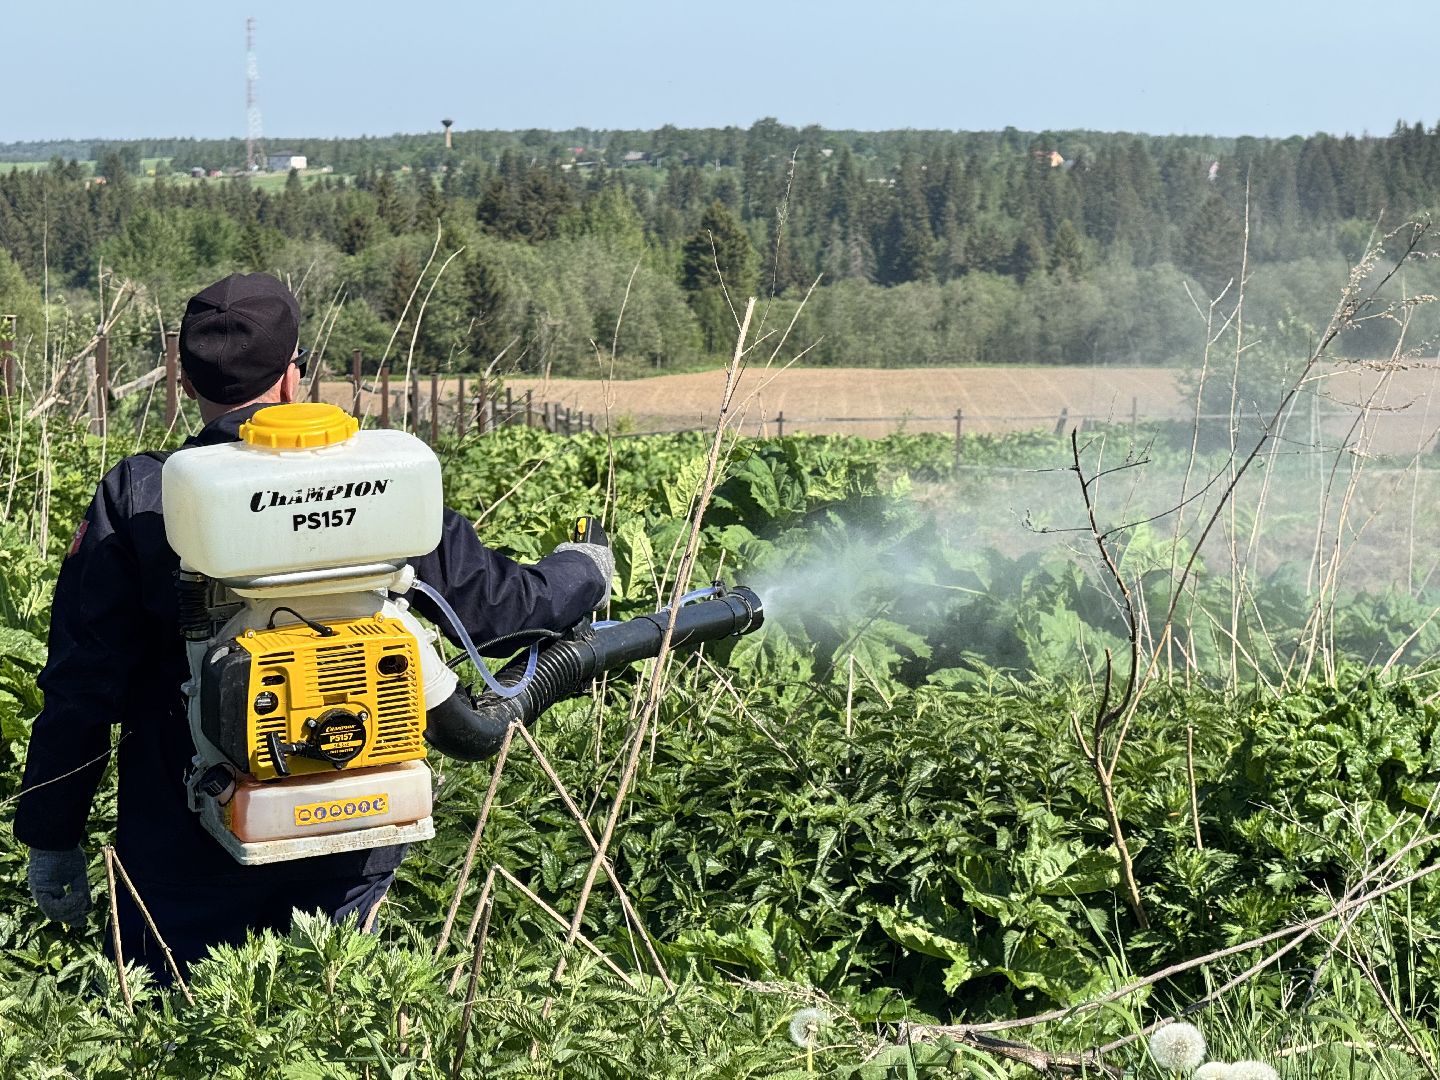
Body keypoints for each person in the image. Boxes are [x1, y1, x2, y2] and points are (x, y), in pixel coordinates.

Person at [13, 272, 612, 981]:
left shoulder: (145, 495)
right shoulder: (378, 475)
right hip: (351, 828)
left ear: (183, 378)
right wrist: (584, 569)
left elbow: (83, 684)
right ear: (294, 378)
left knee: (178, 1034)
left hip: (185, 841)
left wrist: (51, 834)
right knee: (329, 1019)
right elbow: (501, 612)